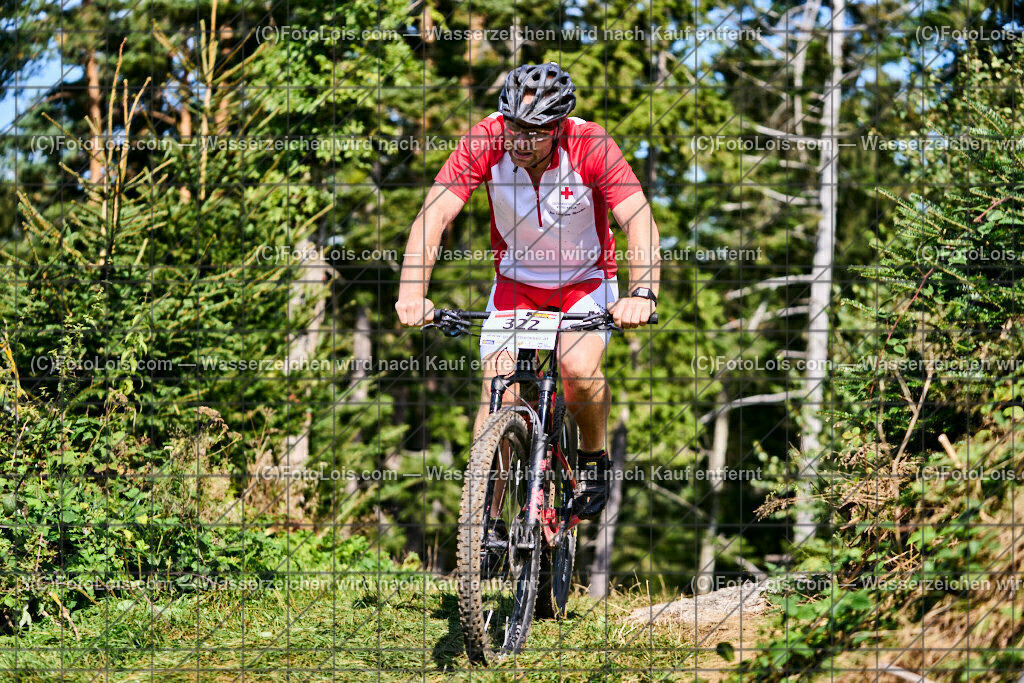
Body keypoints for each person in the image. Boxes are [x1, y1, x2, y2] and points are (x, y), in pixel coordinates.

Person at [395, 62, 661, 523]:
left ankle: (593, 459)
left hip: (585, 281)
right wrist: (412, 291)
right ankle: (485, 522)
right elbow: (433, 216)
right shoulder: (486, 140)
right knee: (498, 389)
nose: (520, 141)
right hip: (516, 286)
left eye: (534, 132)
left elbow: (638, 218)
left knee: (577, 368)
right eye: (515, 127)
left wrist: (643, 293)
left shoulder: (589, 144)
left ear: (558, 128)